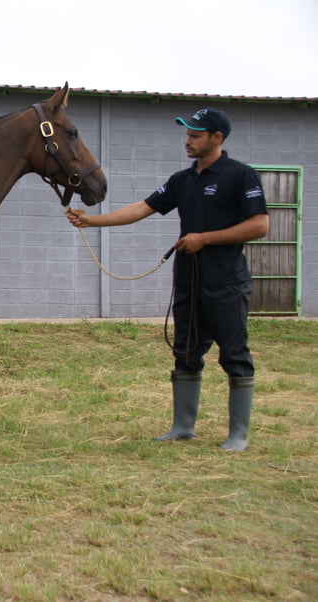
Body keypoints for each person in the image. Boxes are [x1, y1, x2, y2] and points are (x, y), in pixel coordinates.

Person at [66, 107, 269, 451]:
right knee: (186, 353)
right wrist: (91, 221)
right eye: (187, 134)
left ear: (216, 138)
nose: (187, 141)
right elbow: (141, 208)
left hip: (226, 283)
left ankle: (238, 435)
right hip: (188, 281)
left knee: (234, 355)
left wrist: (204, 238)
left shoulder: (241, 176)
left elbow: (260, 225)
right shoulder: (182, 180)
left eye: (195, 135)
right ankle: (182, 427)